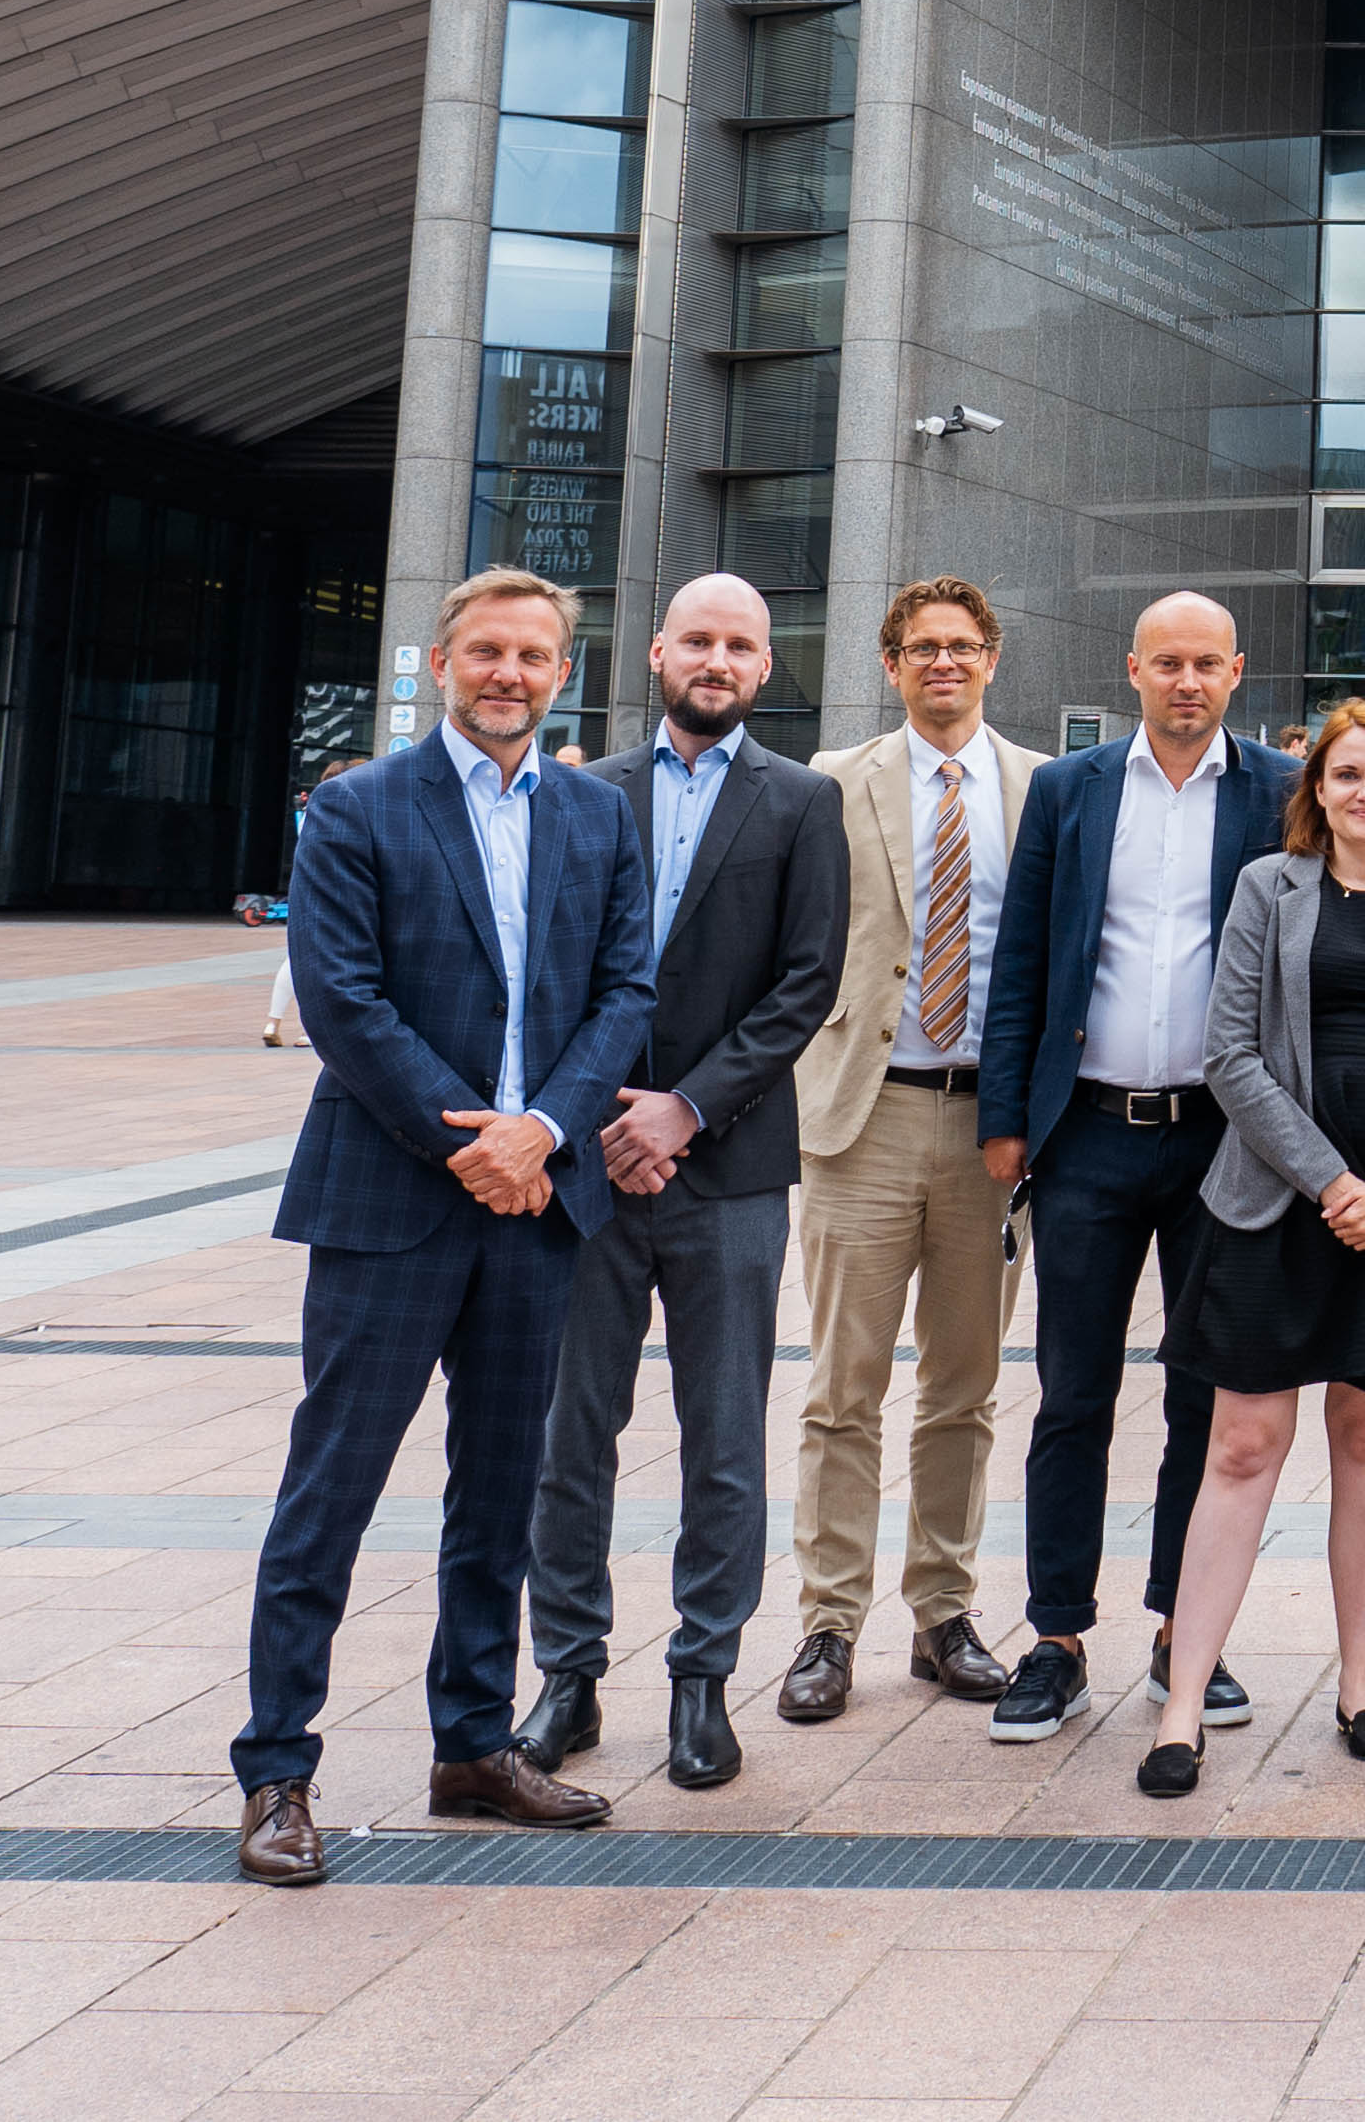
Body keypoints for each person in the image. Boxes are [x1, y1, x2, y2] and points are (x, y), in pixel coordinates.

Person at [228, 567, 651, 1887]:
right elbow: (340, 996)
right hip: (393, 1195)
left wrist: (546, 1131)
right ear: (437, 659)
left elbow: (627, 986)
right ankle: (277, 1765)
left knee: (500, 1489)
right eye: (486, 649)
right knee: (332, 1484)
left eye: (533, 652)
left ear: (561, 668)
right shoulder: (357, 806)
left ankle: (472, 1742)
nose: (508, 671)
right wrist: (474, 1140)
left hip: (540, 1200)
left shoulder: (596, 812)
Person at [1141, 704, 1365, 1794]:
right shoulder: (1271, 888)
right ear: (1318, 788)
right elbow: (1230, 1054)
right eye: (1346, 773)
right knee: (1242, 1444)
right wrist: (1333, 1181)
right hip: (1278, 1200)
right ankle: (1184, 1703)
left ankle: (1360, 1685)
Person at [525, 578, 847, 1792]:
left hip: (731, 1170)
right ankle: (567, 1671)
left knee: (723, 1438)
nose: (716, 659)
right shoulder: (581, 792)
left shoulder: (802, 803)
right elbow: (546, 972)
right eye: (697, 640)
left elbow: (804, 985)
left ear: (767, 668)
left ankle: (704, 1679)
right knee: (573, 1435)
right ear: (657, 651)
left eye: (740, 645)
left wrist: (686, 1107)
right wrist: (606, 1113)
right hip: (588, 1170)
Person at [976, 593, 1300, 1745]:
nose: (1187, 680)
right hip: (1090, 1133)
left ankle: (1183, 1635)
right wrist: (1007, 1119)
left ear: (1237, 670)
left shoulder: (1275, 791)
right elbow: (1022, 958)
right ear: (1132, 671)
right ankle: (1056, 1635)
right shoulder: (1071, 791)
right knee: (1072, 1393)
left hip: (1228, 1135)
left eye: (1207, 662)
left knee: (1203, 1395)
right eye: (1167, 661)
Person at [779, 579, 1029, 1725]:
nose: (943, 663)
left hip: (993, 1126)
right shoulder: (831, 783)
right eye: (921, 648)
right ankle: (828, 1624)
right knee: (843, 1388)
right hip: (862, 1116)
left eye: (961, 646)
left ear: (991, 660)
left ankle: (944, 1612)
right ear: (891, 665)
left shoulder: (1041, 790)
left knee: (964, 1389)